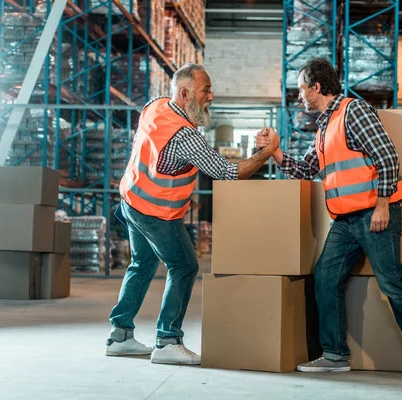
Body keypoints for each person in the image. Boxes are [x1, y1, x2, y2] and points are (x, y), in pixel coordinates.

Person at [255, 58, 402, 382]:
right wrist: (274, 152)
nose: (298, 96)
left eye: (301, 89)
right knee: (325, 278)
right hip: (344, 220)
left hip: (374, 213)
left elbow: (387, 156)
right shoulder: (324, 126)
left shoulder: (353, 112)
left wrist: (383, 206)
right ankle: (334, 355)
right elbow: (306, 170)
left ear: (316, 87)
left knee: (391, 282)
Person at [105, 64, 279, 365]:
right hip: (155, 212)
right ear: (185, 94)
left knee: (141, 264)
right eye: (205, 90)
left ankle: (119, 336)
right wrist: (266, 153)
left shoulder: (156, 106)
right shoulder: (186, 138)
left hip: (131, 199)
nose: (211, 96)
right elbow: (228, 173)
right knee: (184, 266)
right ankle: (167, 340)